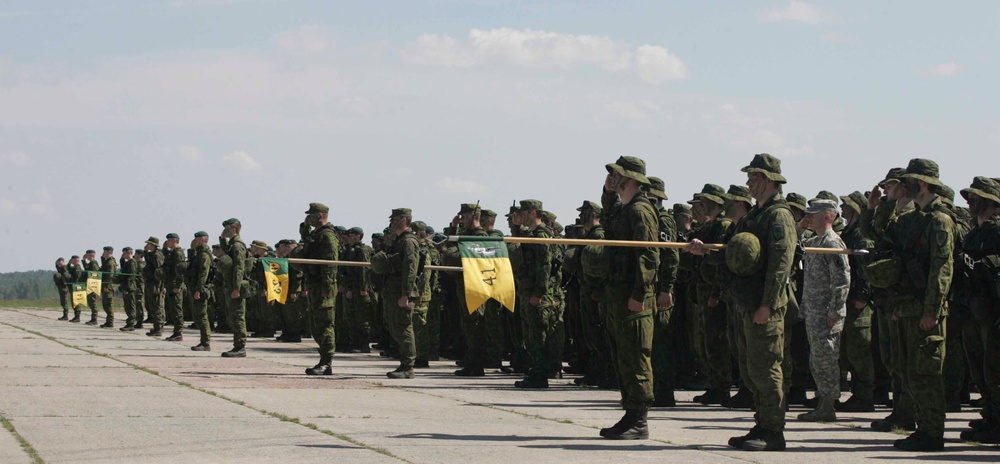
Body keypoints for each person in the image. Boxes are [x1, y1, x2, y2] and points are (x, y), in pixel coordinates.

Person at [695, 153, 796, 452]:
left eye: (754, 178)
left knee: (767, 369)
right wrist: (706, 252)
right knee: (753, 369)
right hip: (748, 303)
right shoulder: (756, 215)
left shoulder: (779, 215)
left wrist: (768, 304)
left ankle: (773, 430)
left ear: (767, 180)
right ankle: (763, 421)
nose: (749, 183)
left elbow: (781, 265)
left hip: (765, 306)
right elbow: (736, 255)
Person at [883, 159, 955, 451]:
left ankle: (932, 433)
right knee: (910, 371)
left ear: (922, 183)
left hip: (925, 310)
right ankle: (924, 428)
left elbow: (942, 269)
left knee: (926, 373)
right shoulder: (917, 217)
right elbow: (886, 236)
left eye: (909, 181)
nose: (904, 186)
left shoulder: (939, 220)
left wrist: (932, 311)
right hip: (908, 305)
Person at [598, 156, 659, 440]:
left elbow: (649, 255)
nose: (613, 177)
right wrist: (607, 192)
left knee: (636, 358)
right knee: (623, 357)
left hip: (633, 296)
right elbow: (608, 217)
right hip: (617, 293)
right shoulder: (624, 208)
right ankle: (630, 412)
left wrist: (640, 294)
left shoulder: (640, 211)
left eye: (618, 175)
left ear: (631, 178)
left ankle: (638, 418)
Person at [797, 199, 850, 422]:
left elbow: (842, 279)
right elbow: (796, 244)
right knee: (817, 359)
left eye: (814, 214)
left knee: (826, 358)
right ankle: (822, 401)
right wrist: (800, 225)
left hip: (826, 312)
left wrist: (835, 310)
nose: (810, 217)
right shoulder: (815, 239)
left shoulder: (832, 242)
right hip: (813, 310)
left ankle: (828, 405)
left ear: (828, 216)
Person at [955, 176, 1000, 443]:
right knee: (980, 370)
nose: (970, 202)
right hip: (973, 310)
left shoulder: (996, 230)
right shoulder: (974, 232)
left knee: (995, 370)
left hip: (994, 312)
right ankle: (990, 417)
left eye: (976, 198)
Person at [512, 199, 560, 389]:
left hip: (538, 293)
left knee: (538, 335)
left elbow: (545, 266)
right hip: (529, 290)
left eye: (523, 213)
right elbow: (521, 249)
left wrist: (539, 292)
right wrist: (516, 229)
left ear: (533, 213)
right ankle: (536, 370)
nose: (520, 216)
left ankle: (540, 374)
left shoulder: (542, 236)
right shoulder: (532, 234)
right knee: (531, 335)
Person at [373, 208, 420, 379]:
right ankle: (404, 363)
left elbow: (410, 269)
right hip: (392, 291)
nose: (392, 222)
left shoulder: (408, 242)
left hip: (401, 293)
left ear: (404, 219)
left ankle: (408, 366)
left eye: (395, 219)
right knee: (396, 328)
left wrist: (405, 294)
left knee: (404, 329)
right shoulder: (398, 241)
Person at [300, 203, 340, 373]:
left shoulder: (328, 235)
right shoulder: (317, 234)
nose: (310, 217)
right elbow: (306, 240)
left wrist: (327, 286)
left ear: (321, 215)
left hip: (324, 286)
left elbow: (330, 264)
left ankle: (326, 362)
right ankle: (323, 359)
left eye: (312, 215)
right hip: (315, 284)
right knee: (316, 324)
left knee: (325, 325)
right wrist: (304, 225)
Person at [219, 219, 249, 357]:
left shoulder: (237, 246)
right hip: (230, 285)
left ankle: (240, 347)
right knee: (233, 316)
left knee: (237, 316)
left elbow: (239, 267)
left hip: (235, 286)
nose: (225, 230)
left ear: (234, 229)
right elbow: (227, 253)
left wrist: (236, 288)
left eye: (227, 228)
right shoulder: (232, 245)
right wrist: (222, 239)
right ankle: (237, 345)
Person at [188, 232, 213, 351]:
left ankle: (205, 343)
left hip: (201, 289)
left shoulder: (204, 255)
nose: (194, 241)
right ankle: (204, 341)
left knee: (202, 316)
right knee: (197, 316)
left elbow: (203, 273)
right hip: (195, 288)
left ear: (203, 240)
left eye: (197, 239)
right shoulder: (198, 253)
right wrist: (191, 250)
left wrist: (198, 289)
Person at [162, 234, 186, 341]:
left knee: (177, 309)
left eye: (170, 240)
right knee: (172, 308)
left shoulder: (178, 253)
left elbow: (180, 271)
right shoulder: (171, 253)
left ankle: (178, 333)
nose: (168, 242)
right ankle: (176, 332)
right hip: (170, 283)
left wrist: (178, 285)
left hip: (175, 285)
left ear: (176, 241)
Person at [142, 237, 166, 337]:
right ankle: (156, 326)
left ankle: (158, 328)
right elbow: (148, 261)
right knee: (152, 305)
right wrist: (145, 251)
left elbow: (159, 271)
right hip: (150, 283)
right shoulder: (152, 254)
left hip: (155, 284)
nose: (147, 245)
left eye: (149, 244)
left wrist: (159, 286)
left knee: (157, 306)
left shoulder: (157, 255)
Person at [118, 247, 140, 331]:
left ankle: (131, 324)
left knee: (130, 306)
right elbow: (123, 269)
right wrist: (122, 259)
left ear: (128, 253)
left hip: (129, 287)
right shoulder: (128, 263)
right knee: (127, 306)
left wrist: (127, 288)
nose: (123, 255)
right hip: (126, 286)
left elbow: (130, 277)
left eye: (124, 253)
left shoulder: (132, 263)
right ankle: (129, 322)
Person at [99, 246, 118, 328]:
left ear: (109, 252)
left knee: (108, 304)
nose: (103, 253)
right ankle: (108, 321)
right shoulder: (107, 261)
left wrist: (106, 285)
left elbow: (110, 275)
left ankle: (110, 322)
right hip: (105, 286)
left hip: (108, 286)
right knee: (105, 304)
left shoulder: (110, 263)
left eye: (105, 252)